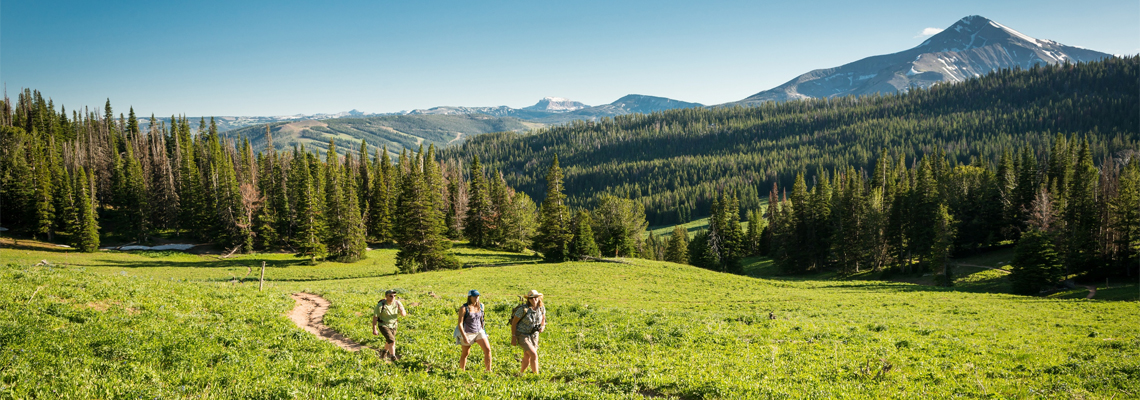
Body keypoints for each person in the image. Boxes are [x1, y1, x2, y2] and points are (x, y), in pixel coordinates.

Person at [455, 289, 492, 371]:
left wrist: (484, 332)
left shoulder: (481, 306)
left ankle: (488, 371)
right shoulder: (464, 308)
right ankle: (462, 371)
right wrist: (464, 336)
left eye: (478, 296)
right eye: (474, 296)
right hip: (467, 332)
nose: (476, 298)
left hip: (479, 331)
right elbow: (460, 324)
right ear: (469, 297)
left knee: (488, 350)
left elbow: (482, 320)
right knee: (465, 353)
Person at [511, 289, 546, 374]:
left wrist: (542, 327)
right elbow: (514, 323)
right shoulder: (523, 309)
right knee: (533, 354)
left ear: (539, 298)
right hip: (522, 335)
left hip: (534, 334)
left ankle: (521, 373)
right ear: (528, 299)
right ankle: (536, 375)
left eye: (535, 298)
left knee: (527, 355)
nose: (534, 300)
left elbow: (543, 320)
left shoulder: (541, 308)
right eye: (531, 298)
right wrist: (514, 337)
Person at [372, 289, 407, 360]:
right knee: (392, 341)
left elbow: (404, 314)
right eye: (391, 296)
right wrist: (374, 329)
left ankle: (384, 352)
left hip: (394, 325)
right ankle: (393, 357)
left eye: (394, 296)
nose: (393, 297)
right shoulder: (380, 305)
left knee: (389, 340)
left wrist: (401, 310)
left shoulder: (397, 303)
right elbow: (375, 318)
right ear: (386, 297)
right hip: (383, 325)